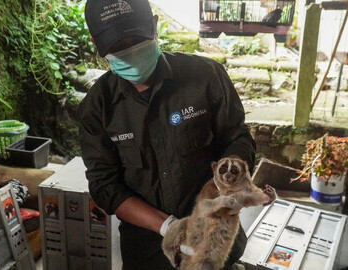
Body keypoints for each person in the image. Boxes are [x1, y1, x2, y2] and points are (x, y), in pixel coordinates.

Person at [78, 0, 256, 269]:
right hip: (146, 252)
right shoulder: (98, 107)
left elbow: (237, 136)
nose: (129, 50)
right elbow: (105, 185)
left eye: (136, 38)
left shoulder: (206, 76)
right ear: (96, 43)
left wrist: (227, 184)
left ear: (154, 25)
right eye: (116, 46)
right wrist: (169, 227)